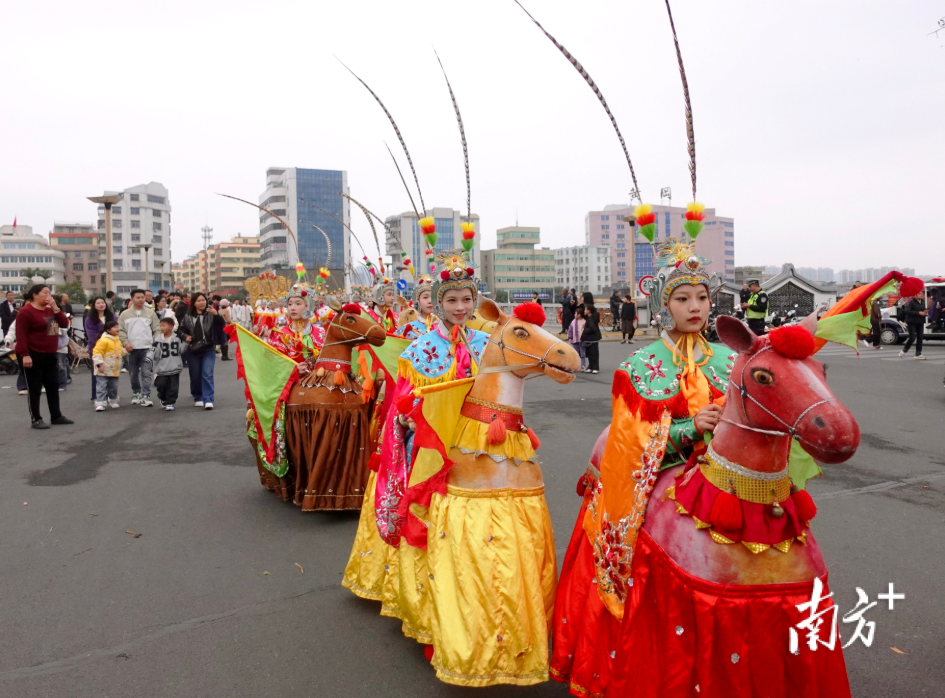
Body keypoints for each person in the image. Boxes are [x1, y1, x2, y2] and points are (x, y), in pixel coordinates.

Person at [551, 239, 733, 696]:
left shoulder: (733, 361)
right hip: (662, 482)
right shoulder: (640, 367)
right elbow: (630, 443)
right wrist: (689, 428)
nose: (695, 307)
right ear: (661, 305)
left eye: (702, 298)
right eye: (682, 298)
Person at [14, 284, 74, 429]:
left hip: (50, 353)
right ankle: (36, 418)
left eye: (49, 293)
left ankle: (56, 415)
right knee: (34, 388)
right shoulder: (25, 312)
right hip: (32, 352)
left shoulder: (49, 310)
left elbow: (64, 323)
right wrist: (25, 355)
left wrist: (55, 307)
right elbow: (20, 335)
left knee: (52, 385)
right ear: (35, 295)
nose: (49, 296)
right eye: (45, 293)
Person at [118, 289, 160, 406]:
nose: (141, 299)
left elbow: (157, 329)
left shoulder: (151, 313)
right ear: (132, 299)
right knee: (133, 373)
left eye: (142, 297)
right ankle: (136, 392)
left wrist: (155, 343)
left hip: (147, 347)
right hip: (131, 349)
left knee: (146, 372)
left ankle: (146, 395)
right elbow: (121, 330)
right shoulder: (124, 314)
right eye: (138, 297)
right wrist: (125, 343)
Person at [178, 292, 217, 409]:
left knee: (207, 373)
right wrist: (185, 337)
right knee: (195, 375)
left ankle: (208, 399)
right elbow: (180, 330)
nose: (202, 303)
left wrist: (217, 315)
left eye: (203, 300)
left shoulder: (211, 313)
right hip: (193, 350)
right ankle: (198, 396)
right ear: (194, 303)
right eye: (199, 301)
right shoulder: (188, 315)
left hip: (208, 348)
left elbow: (222, 327)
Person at [84, 297, 116, 400]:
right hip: (96, 349)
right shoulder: (90, 319)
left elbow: (116, 331)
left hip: (111, 350)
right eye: (98, 303)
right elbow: (91, 335)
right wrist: (103, 343)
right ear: (94, 305)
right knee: (97, 373)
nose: (101, 304)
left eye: (103, 302)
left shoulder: (112, 317)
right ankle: (97, 396)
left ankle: (110, 395)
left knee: (111, 373)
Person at [152, 317, 184, 410]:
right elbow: (154, 352)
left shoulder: (177, 338)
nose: (161, 328)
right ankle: (162, 397)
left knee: (173, 387)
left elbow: (180, 350)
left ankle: (170, 402)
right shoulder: (157, 339)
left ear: (171, 326)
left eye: (163, 326)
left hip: (175, 366)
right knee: (161, 384)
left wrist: (186, 343)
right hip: (161, 368)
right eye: (160, 326)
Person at [91, 320, 124, 411]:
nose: (118, 328)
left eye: (117, 326)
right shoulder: (103, 341)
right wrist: (99, 364)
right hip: (103, 368)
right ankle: (100, 402)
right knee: (101, 386)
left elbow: (120, 352)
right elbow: (97, 353)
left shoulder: (117, 340)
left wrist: (126, 351)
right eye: (115, 327)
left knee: (113, 386)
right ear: (108, 330)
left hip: (114, 369)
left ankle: (113, 400)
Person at [899, 292, 927, 359]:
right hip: (912, 322)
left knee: (920, 337)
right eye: (919, 294)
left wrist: (925, 311)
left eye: (922, 294)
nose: (921, 295)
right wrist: (918, 313)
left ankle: (918, 353)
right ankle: (904, 350)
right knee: (912, 337)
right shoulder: (911, 302)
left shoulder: (922, 302)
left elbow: (922, 309)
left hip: (920, 321)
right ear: (915, 295)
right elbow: (907, 311)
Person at [581, 302, 602, 374]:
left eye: (585, 309)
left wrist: (585, 329)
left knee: (594, 353)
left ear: (589, 311)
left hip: (593, 338)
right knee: (589, 353)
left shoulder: (592, 319)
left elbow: (592, 328)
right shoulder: (589, 318)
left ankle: (595, 367)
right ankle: (590, 366)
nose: (584, 311)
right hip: (590, 339)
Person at [567, 305, 587, 371]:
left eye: (576, 313)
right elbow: (570, 330)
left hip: (582, 341)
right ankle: (575, 366)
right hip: (575, 340)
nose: (575, 314)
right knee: (575, 354)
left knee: (582, 354)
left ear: (580, 315)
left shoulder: (584, 322)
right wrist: (570, 337)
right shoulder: (573, 322)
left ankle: (583, 365)